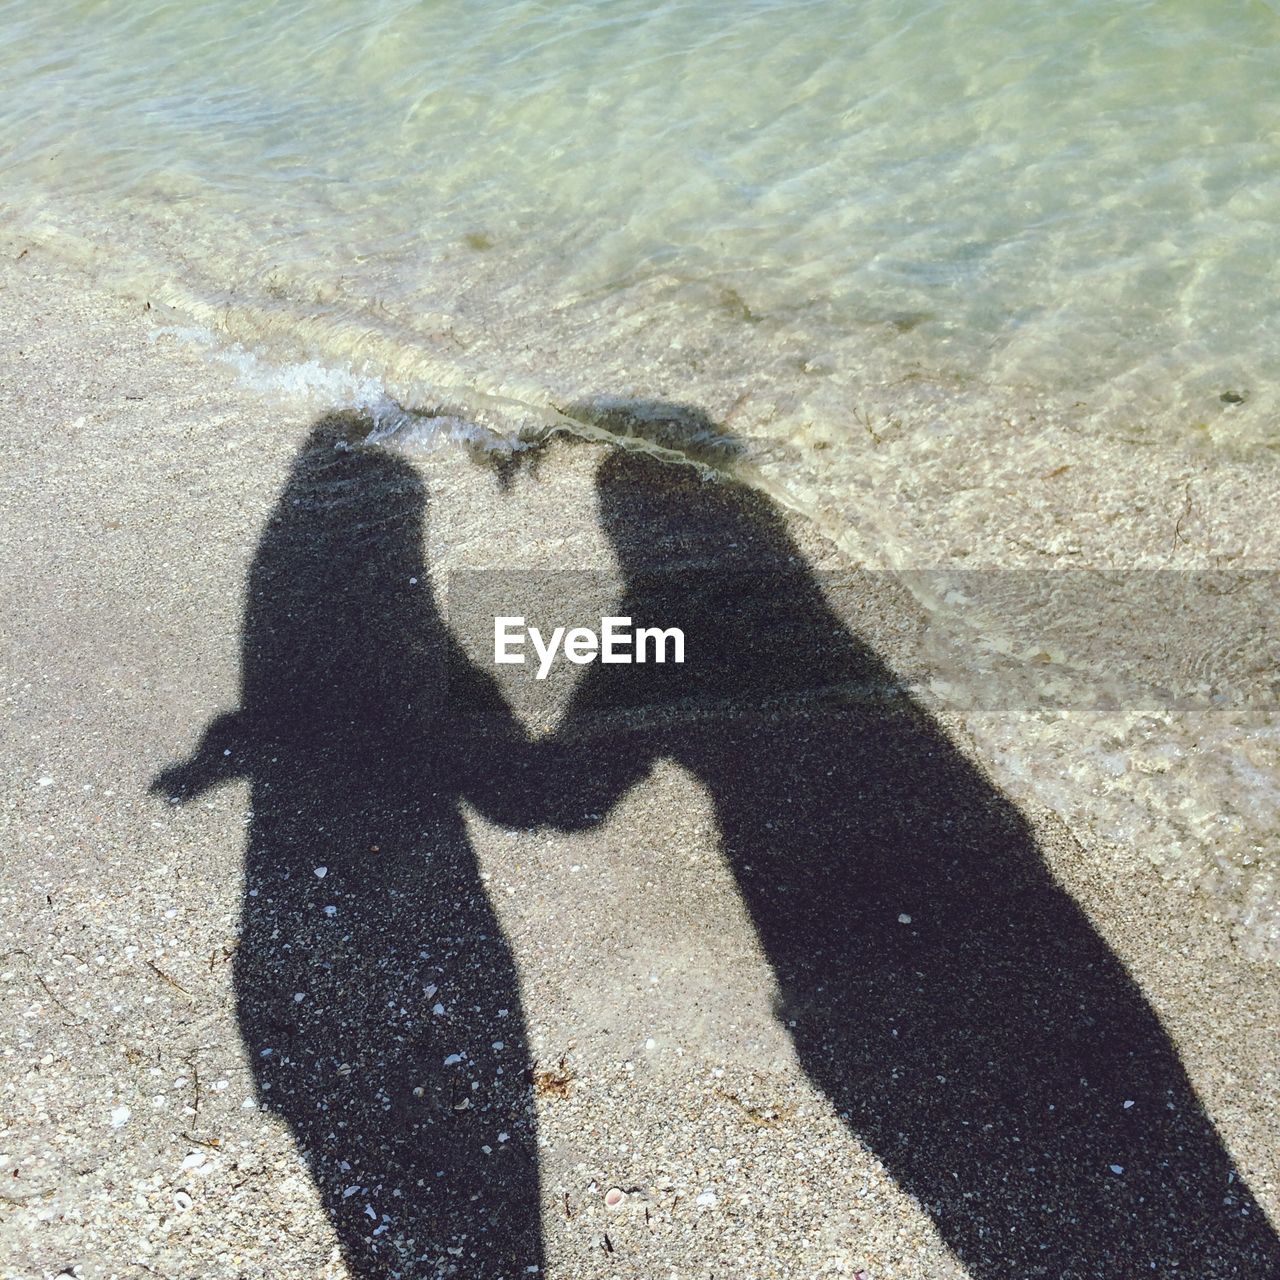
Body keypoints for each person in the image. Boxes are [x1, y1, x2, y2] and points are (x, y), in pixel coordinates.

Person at [153, 417, 545, 1279]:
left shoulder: (300, 597)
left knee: (369, 1083)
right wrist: (535, 788)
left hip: (326, 840)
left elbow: (253, 730)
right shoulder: (390, 627)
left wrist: (214, 764)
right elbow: (483, 747)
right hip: (404, 850)